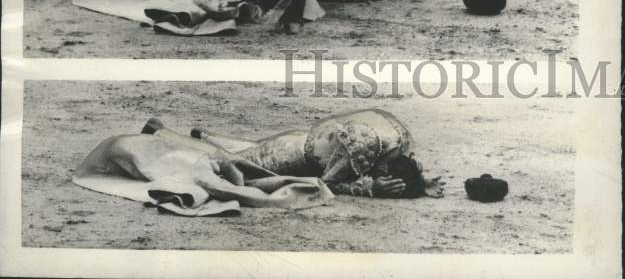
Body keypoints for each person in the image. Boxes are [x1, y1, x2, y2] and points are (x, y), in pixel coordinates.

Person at [147, 108, 445, 199]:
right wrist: (368, 188)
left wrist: (420, 181)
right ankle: (161, 132)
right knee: (228, 161)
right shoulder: (365, 150)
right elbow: (326, 183)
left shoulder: (400, 142)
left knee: (248, 148)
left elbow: (408, 164)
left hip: (300, 141)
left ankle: (203, 134)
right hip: (289, 157)